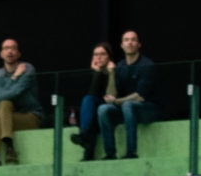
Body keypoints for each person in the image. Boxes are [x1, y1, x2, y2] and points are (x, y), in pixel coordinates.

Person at [0, 38, 43, 166]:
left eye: (13, 48)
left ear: (18, 53)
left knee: (2, 106)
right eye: (6, 48)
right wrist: (14, 76)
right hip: (8, 118)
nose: (10, 51)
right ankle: (1, 153)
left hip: (31, 116)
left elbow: (15, 93)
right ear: (1, 54)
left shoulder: (27, 68)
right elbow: (1, 96)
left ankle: (2, 151)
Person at [97, 31, 160, 160]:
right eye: (126, 40)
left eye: (133, 40)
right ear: (122, 45)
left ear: (139, 44)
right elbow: (111, 95)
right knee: (102, 109)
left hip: (148, 110)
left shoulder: (147, 64)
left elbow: (140, 97)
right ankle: (110, 153)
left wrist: (116, 102)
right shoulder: (120, 66)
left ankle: (131, 152)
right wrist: (111, 74)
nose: (129, 42)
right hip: (127, 110)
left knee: (127, 105)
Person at [69, 43, 115, 161]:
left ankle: (86, 142)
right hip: (94, 109)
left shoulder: (114, 70)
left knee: (91, 104)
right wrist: (97, 72)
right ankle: (85, 139)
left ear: (109, 57)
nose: (98, 57)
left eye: (102, 54)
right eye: (96, 55)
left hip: (113, 105)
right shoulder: (93, 73)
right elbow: (92, 93)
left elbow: (111, 94)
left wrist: (111, 73)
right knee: (89, 103)